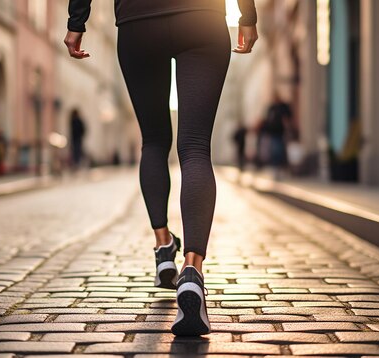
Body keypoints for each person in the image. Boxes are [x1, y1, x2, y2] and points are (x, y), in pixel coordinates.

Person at [65, 0, 258, 336]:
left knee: (153, 141)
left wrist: (76, 22)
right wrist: (247, 15)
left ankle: (163, 246)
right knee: (195, 146)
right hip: (202, 18)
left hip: (138, 22)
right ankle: (193, 271)